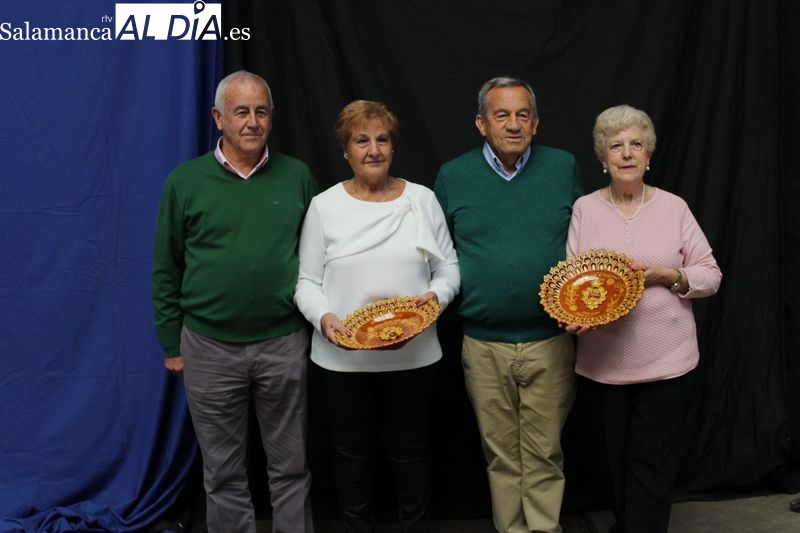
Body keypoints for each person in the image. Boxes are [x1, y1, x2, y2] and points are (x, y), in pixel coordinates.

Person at [152, 70, 317, 533]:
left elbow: (319, 260)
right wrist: (171, 343)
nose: (252, 121)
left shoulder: (298, 176)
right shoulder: (184, 182)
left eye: (261, 111)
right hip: (207, 346)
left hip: (282, 342)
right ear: (218, 118)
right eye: (241, 111)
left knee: (290, 468)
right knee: (223, 473)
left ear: (271, 118)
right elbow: (167, 266)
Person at [294, 99, 460, 533]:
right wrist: (324, 318)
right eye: (361, 140)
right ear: (346, 151)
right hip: (342, 359)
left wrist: (435, 299)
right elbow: (306, 282)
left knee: (411, 453)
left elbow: (449, 268)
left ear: (393, 147)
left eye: (382, 140)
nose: (373, 150)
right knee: (351, 456)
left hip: (414, 354)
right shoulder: (324, 206)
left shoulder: (422, 199)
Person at [434, 77, 583, 533]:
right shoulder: (452, 176)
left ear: (536, 124)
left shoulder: (563, 168)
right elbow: (437, 255)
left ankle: (543, 529)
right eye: (502, 115)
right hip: (483, 344)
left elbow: (587, 244)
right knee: (500, 455)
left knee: (544, 452)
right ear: (482, 123)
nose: (513, 124)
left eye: (523, 115)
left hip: (550, 342)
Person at [565, 104, 722, 533]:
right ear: (603, 158)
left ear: (649, 154)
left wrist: (672, 276)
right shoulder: (585, 209)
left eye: (636, 144)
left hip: (667, 361)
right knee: (616, 465)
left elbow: (710, 275)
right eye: (616, 146)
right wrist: (577, 315)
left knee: (651, 464)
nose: (627, 154)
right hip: (604, 363)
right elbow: (575, 280)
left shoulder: (674, 208)